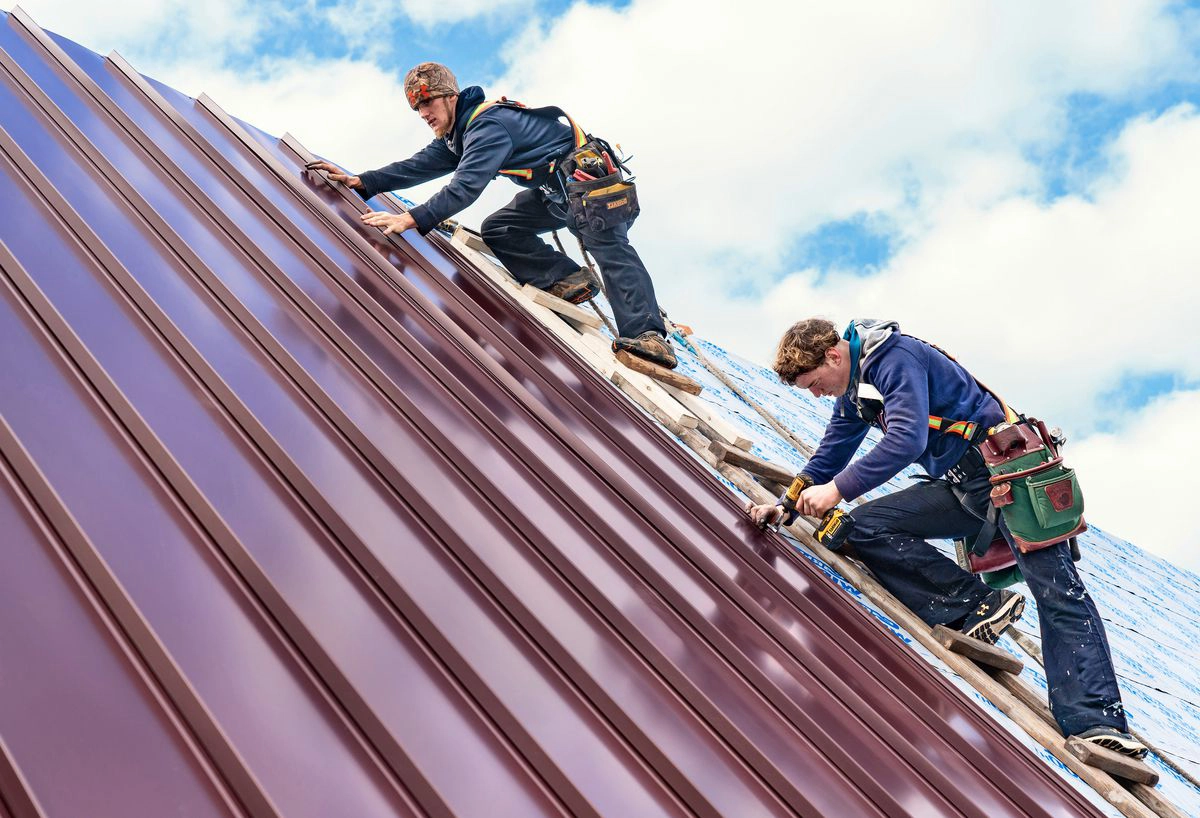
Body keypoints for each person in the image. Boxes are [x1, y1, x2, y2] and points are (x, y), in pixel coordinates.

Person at [746, 317, 1147, 757]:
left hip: (1009, 478)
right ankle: (977, 606)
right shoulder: (856, 387)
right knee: (865, 527)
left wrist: (838, 489)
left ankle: (1098, 723)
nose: (817, 394)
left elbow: (906, 439)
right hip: (962, 488)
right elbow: (833, 449)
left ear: (834, 356)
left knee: (1057, 590)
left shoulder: (893, 359)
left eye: (816, 383)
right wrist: (787, 504)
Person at [308, 62, 676, 369]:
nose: (424, 113)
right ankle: (568, 280)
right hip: (557, 193)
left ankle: (648, 337)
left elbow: (465, 187)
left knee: (610, 249)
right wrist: (364, 181)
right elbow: (421, 164)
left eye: (429, 103)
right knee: (500, 228)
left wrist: (413, 218)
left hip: (590, 188)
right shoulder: (462, 132)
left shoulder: (487, 126)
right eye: (417, 109)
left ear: (451, 97)